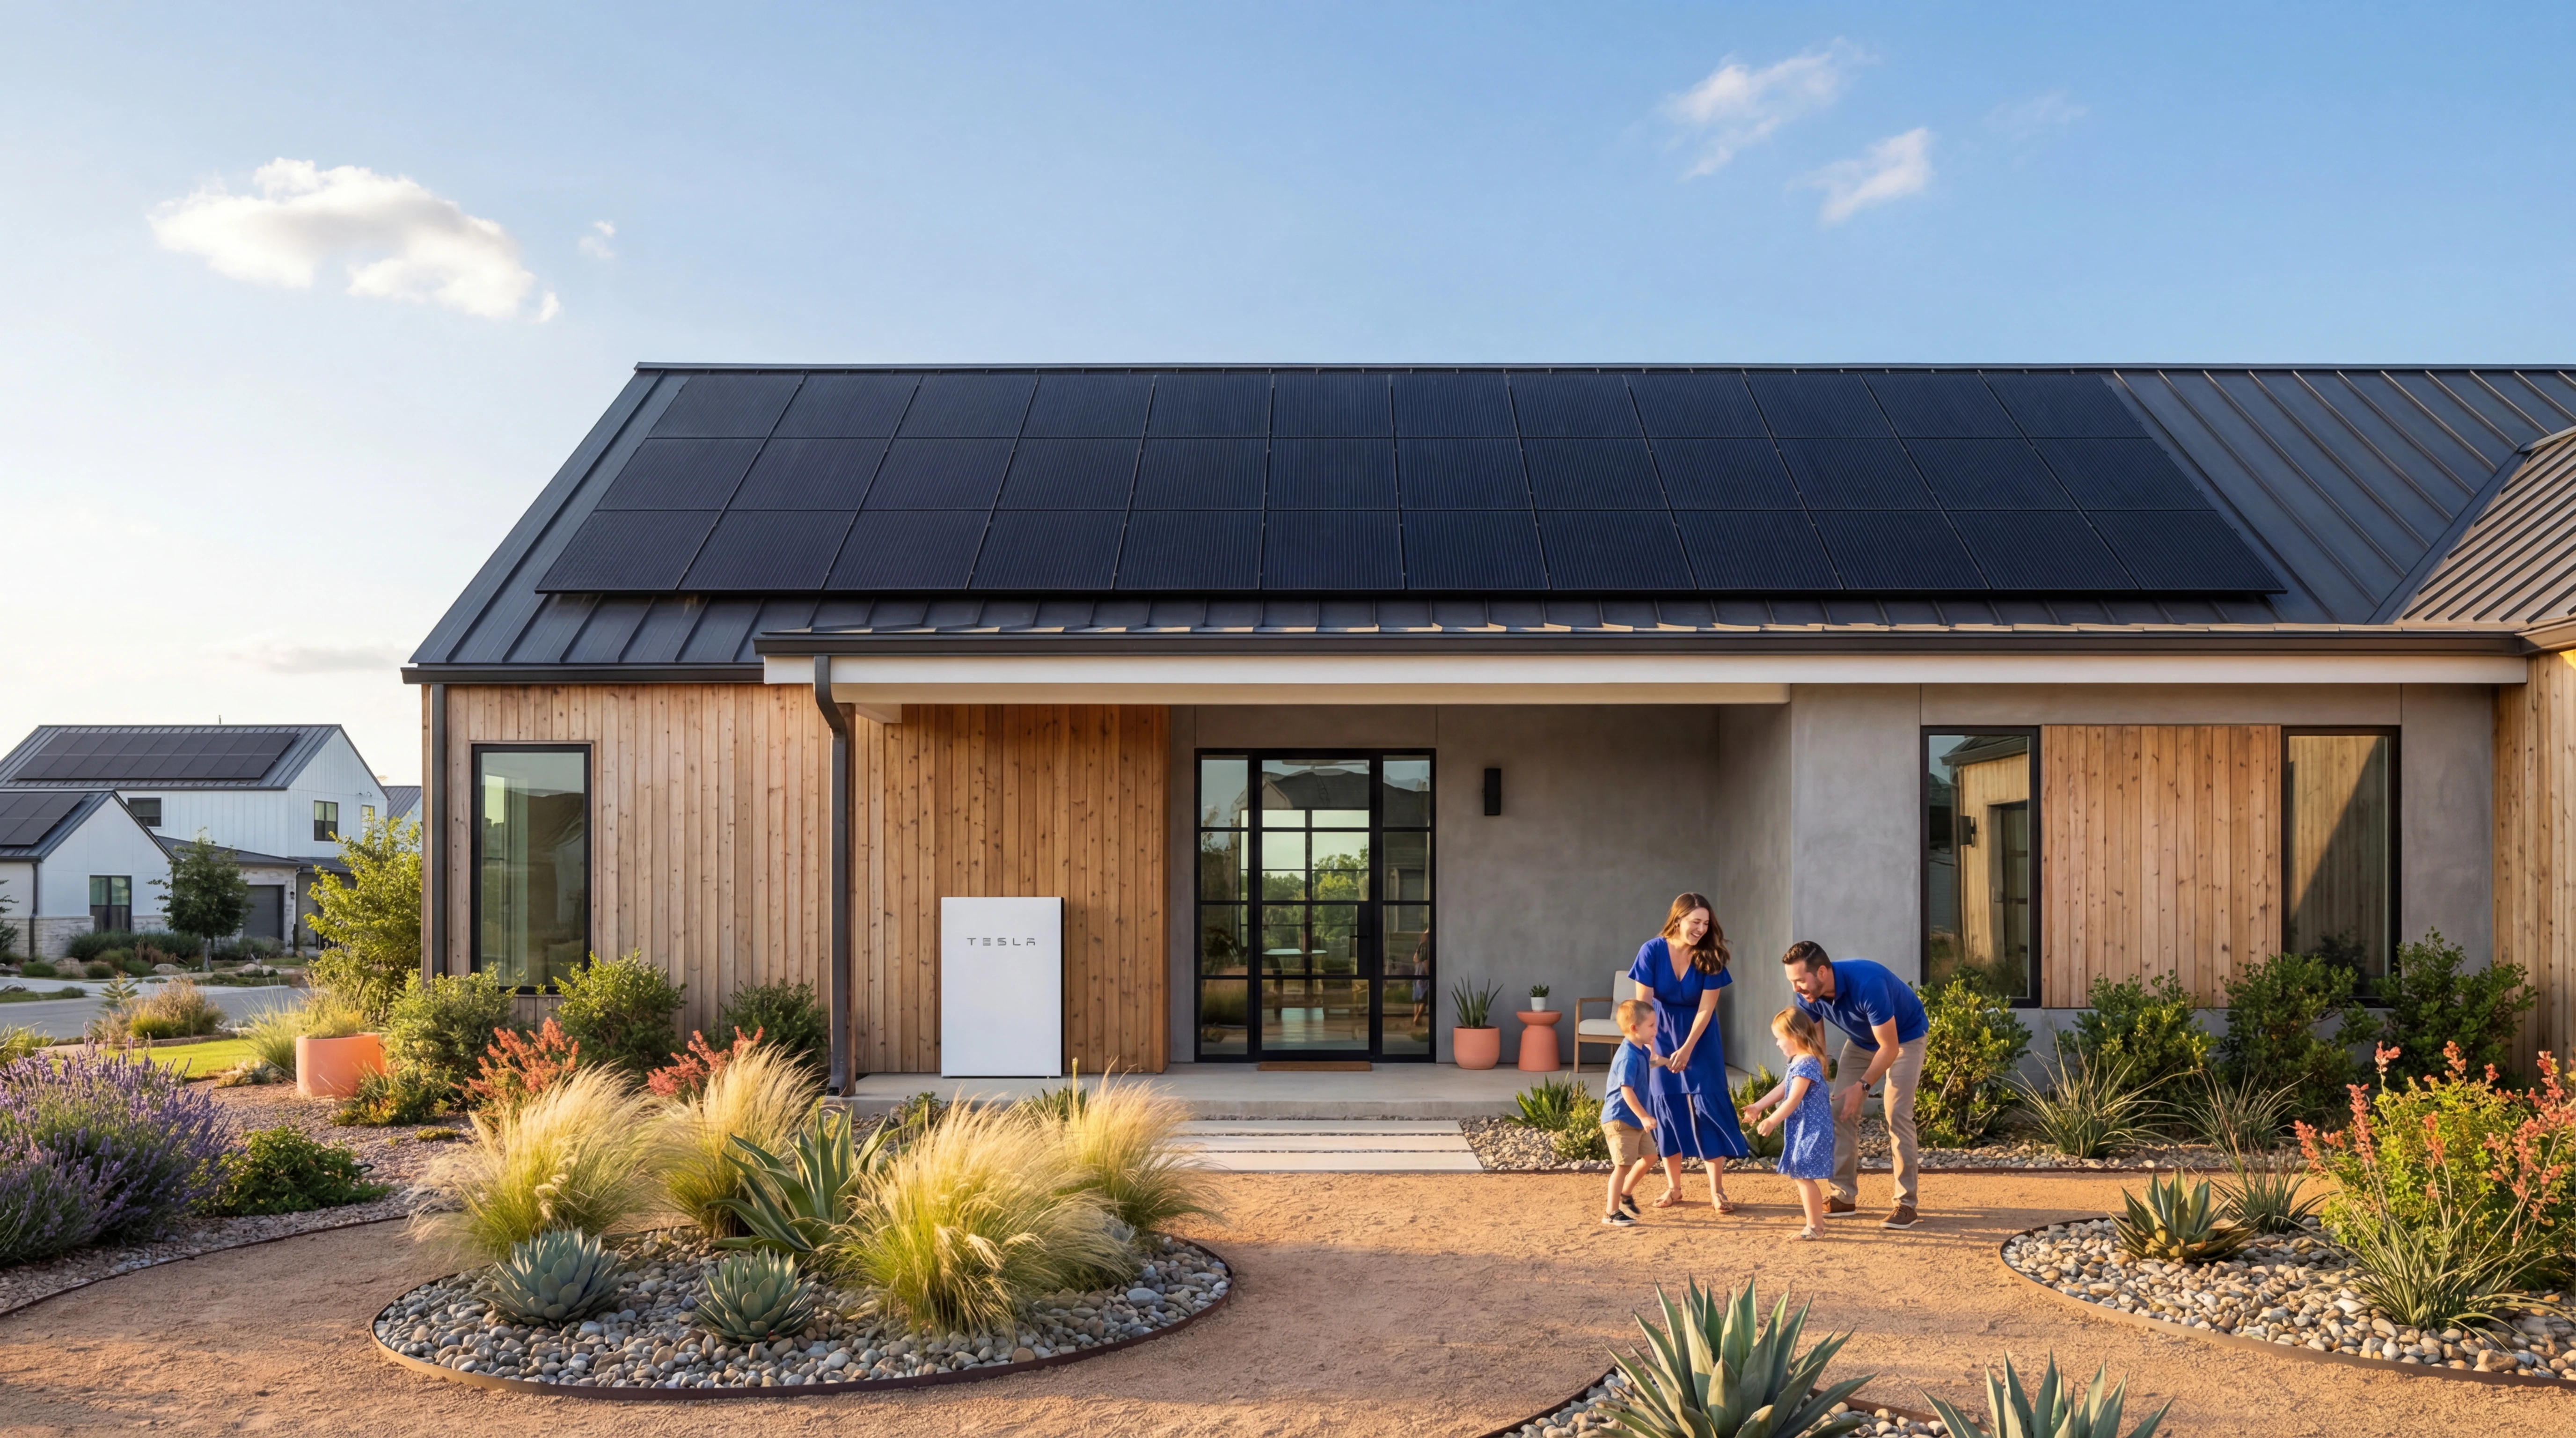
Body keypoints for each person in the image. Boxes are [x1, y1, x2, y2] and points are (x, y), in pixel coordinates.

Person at [1781, 940, 1932, 1229]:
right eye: (1792, 981)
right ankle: (1843, 1196)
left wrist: (1862, 1086)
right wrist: (1815, 1078)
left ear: (1822, 972)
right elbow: (1816, 1048)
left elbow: (1889, 1047)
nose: (1796, 988)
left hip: (1904, 1039)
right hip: (1862, 1042)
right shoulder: (1808, 997)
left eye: (1800, 980)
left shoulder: (1868, 984)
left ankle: (1906, 1203)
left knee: (1897, 1113)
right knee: (1840, 1112)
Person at [1628, 892, 1750, 1212]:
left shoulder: (1711, 955)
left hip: (1701, 1037)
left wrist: (1687, 1048)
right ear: (1678, 918)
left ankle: (1717, 1190)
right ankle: (1674, 1188)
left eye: (1706, 923)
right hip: (1660, 1033)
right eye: (1695, 922)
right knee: (1667, 1109)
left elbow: (1706, 1010)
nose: (1701, 929)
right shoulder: (1652, 951)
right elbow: (1643, 1006)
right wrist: (1653, 1049)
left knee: (1706, 1106)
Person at [1738, 1007, 1835, 1240]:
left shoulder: (1807, 1063)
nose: (1777, 1044)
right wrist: (1759, 1107)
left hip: (1812, 1129)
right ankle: (1814, 1225)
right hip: (1804, 1128)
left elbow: (1793, 1099)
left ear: (1795, 1037)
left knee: (1802, 1174)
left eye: (1779, 1039)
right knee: (1800, 1174)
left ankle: (1815, 1228)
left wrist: (1772, 1120)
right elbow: (1783, 1088)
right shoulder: (1798, 1062)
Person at [1597, 999, 1661, 1227]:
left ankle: (1625, 1194)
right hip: (1621, 1119)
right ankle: (1611, 1213)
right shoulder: (1628, 1056)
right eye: (1652, 1026)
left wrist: (1672, 1062)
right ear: (1635, 1029)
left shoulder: (1640, 1050)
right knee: (1623, 1166)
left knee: (1651, 1157)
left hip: (1635, 1119)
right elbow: (1626, 1090)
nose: (1656, 1030)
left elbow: (1652, 1061)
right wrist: (1644, 1116)